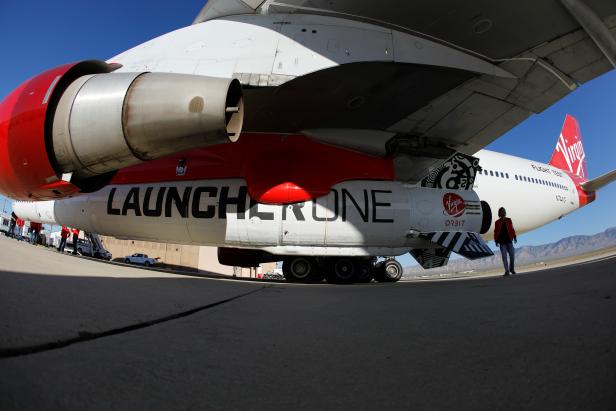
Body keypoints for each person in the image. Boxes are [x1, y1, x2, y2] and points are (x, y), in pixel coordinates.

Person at [494, 207, 517, 276]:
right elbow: (496, 232)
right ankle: (507, 271)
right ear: (499, 213)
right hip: (502, 242)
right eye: (502, 212)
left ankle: (511, 269)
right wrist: (496, 241)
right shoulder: (497, 222)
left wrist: (515, 237)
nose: (503, 213)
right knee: (504, 257)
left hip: (509, 241)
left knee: (512, 254)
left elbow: (512, 229)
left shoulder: (509, 220)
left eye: (504, 211)